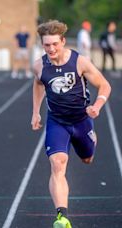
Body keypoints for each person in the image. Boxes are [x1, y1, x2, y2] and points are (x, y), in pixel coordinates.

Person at [31, 20, 111, 228]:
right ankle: (62, 216)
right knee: (57, 164)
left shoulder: (79, 62)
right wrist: (36, 112)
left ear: (63, 41)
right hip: (57, 122)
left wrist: (98, 105)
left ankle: (89, 141)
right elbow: (38, 83)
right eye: (47, 45)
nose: (51, 49)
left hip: (82, 121)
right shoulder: (39, 65)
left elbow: (104, 84)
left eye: (55, 44)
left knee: (87, 158)